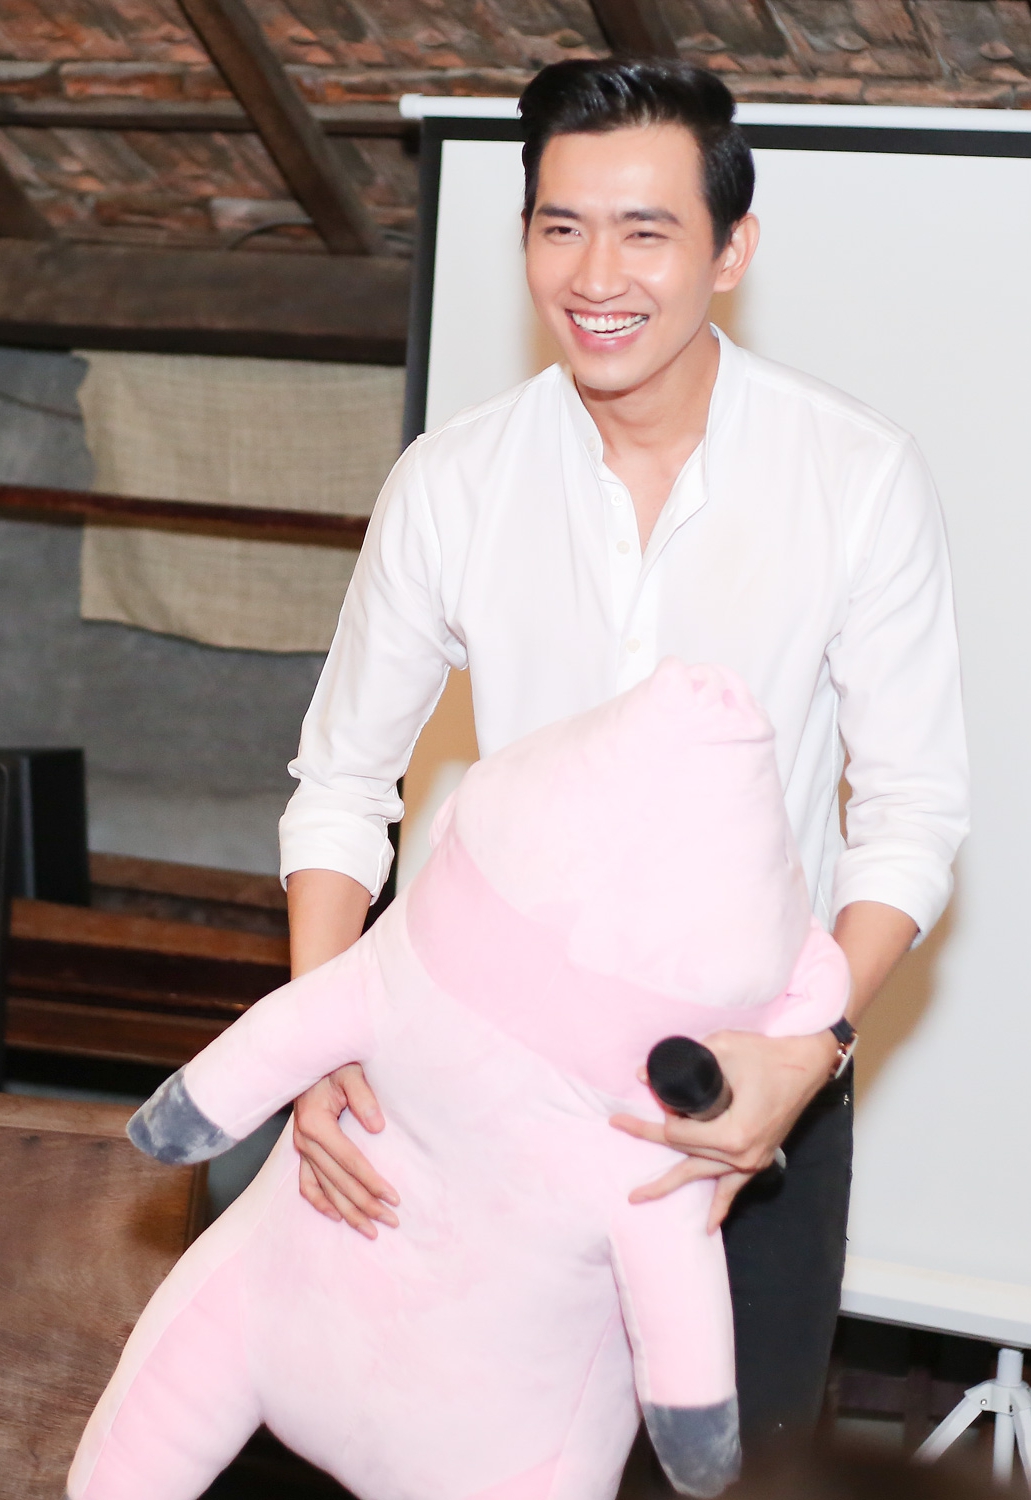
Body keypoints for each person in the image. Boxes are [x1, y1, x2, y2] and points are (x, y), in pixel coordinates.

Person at [280, 59, 969, 1451]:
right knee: (468, 1464)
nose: (596, 276)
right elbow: (343, 784)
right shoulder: (454, 483)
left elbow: (909, 814)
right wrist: (316, 1030)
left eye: (646, 231)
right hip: (483, 1083)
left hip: (748, 1083)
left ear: (731, 251)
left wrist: (808, 1055)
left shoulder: (854, 475)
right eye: (561, 227)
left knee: (729, 1472)